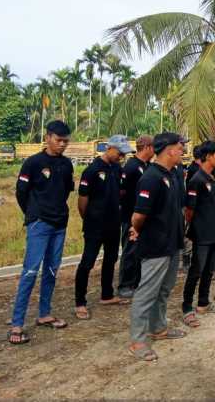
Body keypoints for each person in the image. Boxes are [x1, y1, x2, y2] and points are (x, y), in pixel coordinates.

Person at [8, 120, 74, 345]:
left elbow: (65, 191)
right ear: (48, 137)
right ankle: (17, 323)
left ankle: (44, 313)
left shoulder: (67, 165)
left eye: (66, 141)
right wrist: (33, 214)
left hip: (59, 224)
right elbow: (21, 192)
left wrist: (56, 211)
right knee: (30, 272)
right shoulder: (33, 163)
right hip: (39, 224)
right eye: (59, 140)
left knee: (52, 271)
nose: (62, 145)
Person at [128, 132, 188, 362]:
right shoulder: (151, 177)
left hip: (172, 243)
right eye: (179, 146)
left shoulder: (172, 174)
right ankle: (138, 340)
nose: (182, 150)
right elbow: (138, 216)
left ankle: (158, 328)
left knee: (164, 289)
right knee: (147, 292)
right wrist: (138, 230)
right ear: (169, 149)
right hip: (155, 245)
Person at [74, 135, 133, 320]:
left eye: (124, 154)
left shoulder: (117, 169)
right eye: (119, 153)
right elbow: (82, 201)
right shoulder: (91, 170)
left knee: (111, 259)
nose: (121, 157)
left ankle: (106, 295)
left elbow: (120, 193)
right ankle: (80, 302)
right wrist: (90, 218)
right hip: (95, 225)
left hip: (113, 224)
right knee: (87, 262)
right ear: (109, 148)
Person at [182, 141, 215, 327]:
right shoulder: (196, 180)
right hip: (201, 233)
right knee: (196, 270)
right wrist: (196, 228)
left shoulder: (214, 177)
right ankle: (186, 307)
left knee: (209, 270)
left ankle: (203, 302)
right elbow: (189, 211)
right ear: (208, 156)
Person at [118, 135, 154, 299]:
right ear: (147, 147)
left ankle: (137, 281)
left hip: (142, 217)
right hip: (130, 217)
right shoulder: (131, 167)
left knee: (139, 251)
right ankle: (125, 284)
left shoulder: (146, 166)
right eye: (153, 147)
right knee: (130, 251)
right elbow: (123, 192)